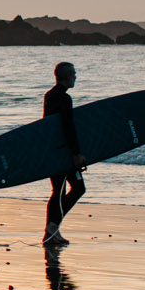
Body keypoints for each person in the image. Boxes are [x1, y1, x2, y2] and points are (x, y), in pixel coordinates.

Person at [43, 60, 86, 246]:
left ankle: (52, 230)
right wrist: (76, 154)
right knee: (72, 189)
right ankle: (51, 231)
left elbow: (48, 126)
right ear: (68, 76)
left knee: (62, 190)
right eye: (74, 74)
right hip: (62, 152)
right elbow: (67, 127)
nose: (76, 77)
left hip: (54, 150)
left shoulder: (50, 95)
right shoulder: (63, 98)